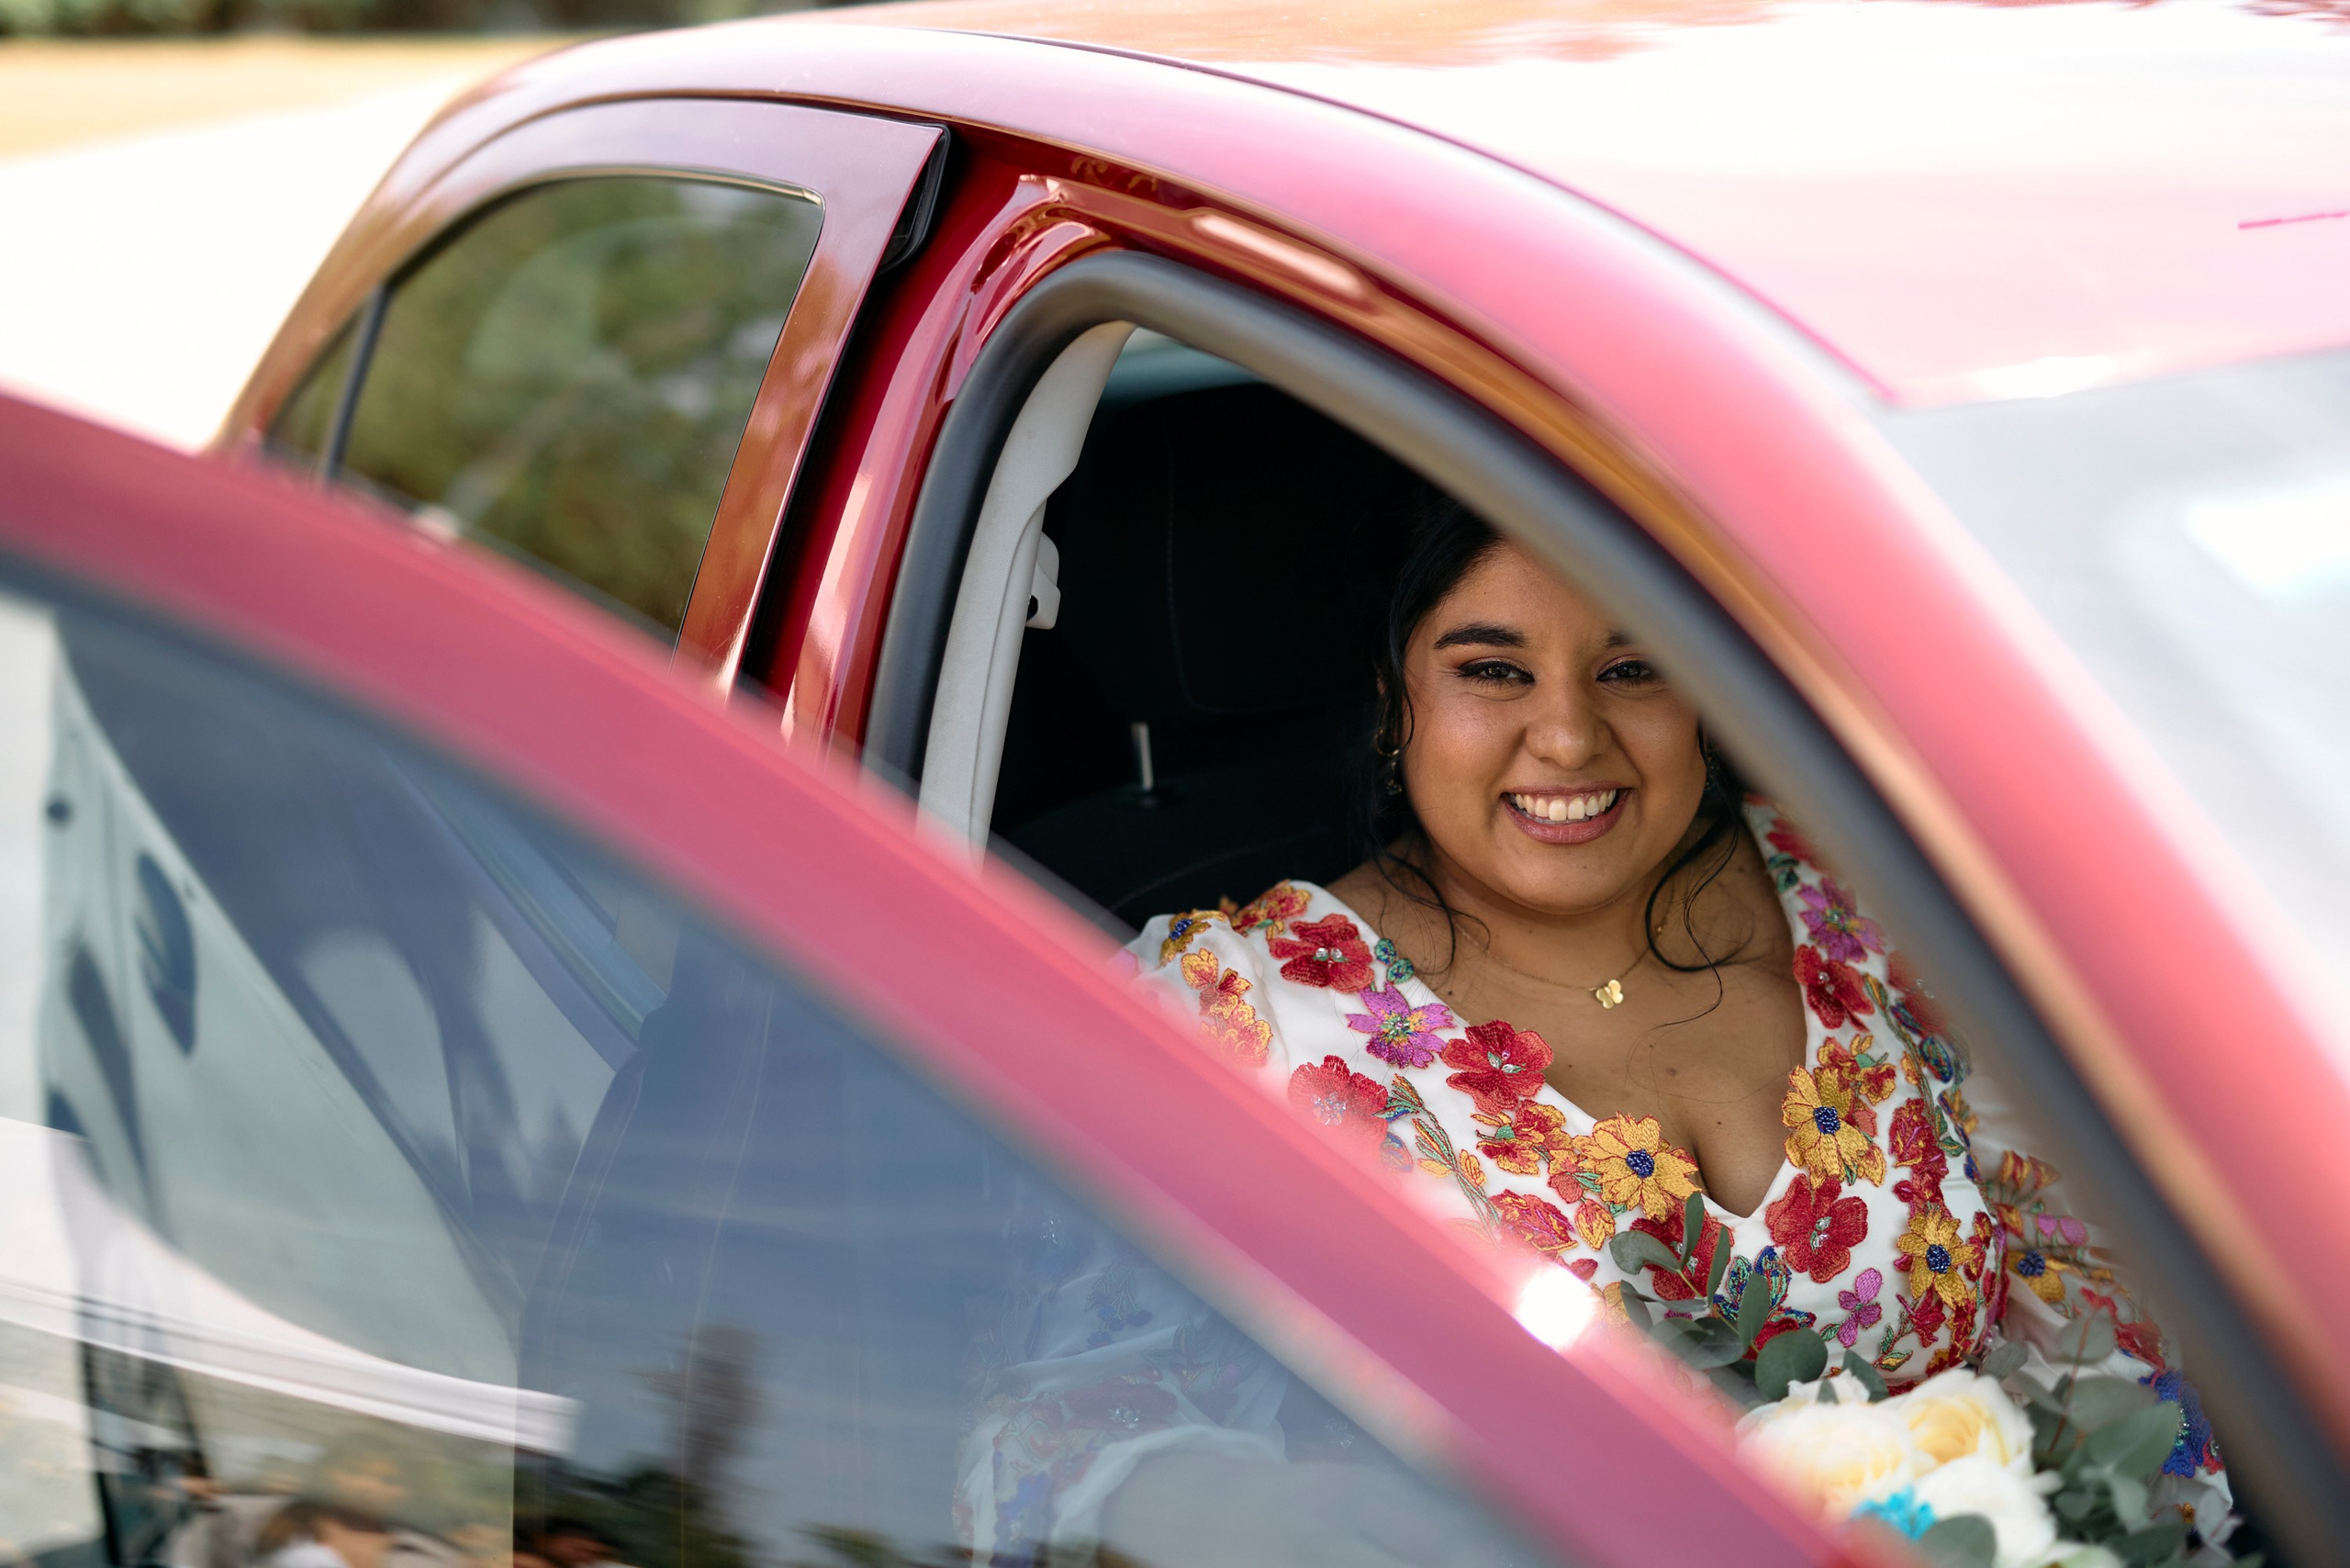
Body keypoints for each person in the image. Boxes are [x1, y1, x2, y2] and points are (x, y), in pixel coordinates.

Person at [959, 498, 2232, 1562]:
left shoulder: (1876, 905)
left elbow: (2091, 1305)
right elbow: (1048, 1434)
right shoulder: (1229, 1014)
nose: (1568, 735)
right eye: (1492, 669)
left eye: (1632, 666)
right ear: (1394, 703)